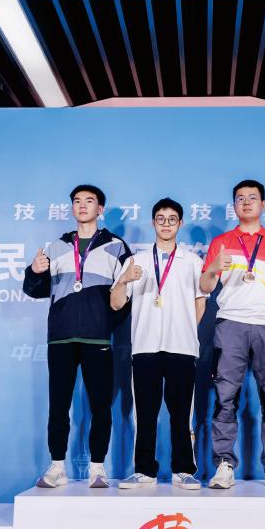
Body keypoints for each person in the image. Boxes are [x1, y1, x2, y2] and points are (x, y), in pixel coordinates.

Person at [23, 184, 131, 489]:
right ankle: (57, 466)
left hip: (97, 338)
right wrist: (34, 271)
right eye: (77, 201)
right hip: (61, 338)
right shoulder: (56, 247)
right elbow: (35, 290)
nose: (82, 205)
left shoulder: (116, 247)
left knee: (100, 406)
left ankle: (97, 468)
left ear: (100, 209)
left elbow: (125, 295)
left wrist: (104, 322)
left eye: (89, 201)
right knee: (58, 406)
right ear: (72, 208)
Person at [200, 179, 265, 489]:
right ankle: (224, 464)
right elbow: (205, 286)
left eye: (252, 198)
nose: (246, 202)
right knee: (225, 398)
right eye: (240, 198)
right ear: (234, 205)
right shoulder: (222, 242)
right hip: (230, 324)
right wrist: (213, 267)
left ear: (263, 205)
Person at [111, 198, 206, 490]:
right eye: (161, 218)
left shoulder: (192, 261)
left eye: (172, 219)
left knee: (182, 413)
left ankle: (183, 470)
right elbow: (116, 304)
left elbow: (200, 302)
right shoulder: (136, 261)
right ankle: (144, 471)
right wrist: (123, 280)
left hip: (182, 347)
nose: (166, 224)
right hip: (145, 346)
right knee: (145, 412)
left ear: (180, 223)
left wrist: (186, 330)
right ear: (153, 222)